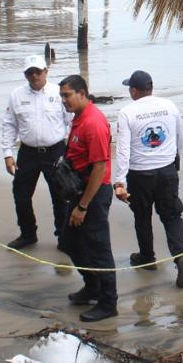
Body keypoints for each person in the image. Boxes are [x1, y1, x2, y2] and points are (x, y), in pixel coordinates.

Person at [112, 70, 183, 288]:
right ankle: (181, 256)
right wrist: (176, 161)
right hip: (166, 170)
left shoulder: (127, 112)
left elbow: (123, 150)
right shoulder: (169, 106)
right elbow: (179, 137)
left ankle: (147, 258)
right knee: (172, 215)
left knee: (142, 216)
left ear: (134, 91)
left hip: (140, 174)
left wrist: (119, 181)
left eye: (130, 88)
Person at [59, 74, 118, 322]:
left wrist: (83, 206)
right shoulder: (79, 118)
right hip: (79, 190)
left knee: (98, 249)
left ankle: (108, 302)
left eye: (67, 95)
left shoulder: (93, 123)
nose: (64, 100)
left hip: (93, 193)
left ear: (82, 94)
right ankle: (92, 285)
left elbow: (100, 168)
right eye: (62, 96)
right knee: (68, 242)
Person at [1, 54, 72, 250]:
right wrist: (8, 153)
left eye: (38, 71)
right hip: (28, 152)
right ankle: (28, 234)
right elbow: (9, 124)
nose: (34, 76)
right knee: (21, 194)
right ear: (25, 75)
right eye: (30, 72)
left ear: (46, 72)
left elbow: (71, 121)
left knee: (60, 196)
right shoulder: (16, 95)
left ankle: (64, 237)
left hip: (55, 151)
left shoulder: (59, 92)